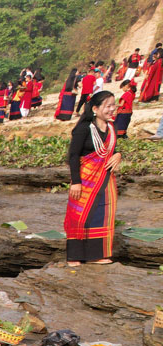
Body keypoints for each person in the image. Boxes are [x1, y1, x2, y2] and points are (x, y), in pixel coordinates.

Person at [64, 90, 120, 265]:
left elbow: (110, 151)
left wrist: (118, 155)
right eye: (108, 106)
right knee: (79, 216)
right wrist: (76, 182)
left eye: (113, 105)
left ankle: (97, 254)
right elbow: (73, 156)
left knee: (101, 214)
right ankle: (75, 256)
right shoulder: (83, 128)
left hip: (105, 180)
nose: (112, 109)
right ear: (95, 108)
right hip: (85, 180)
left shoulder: (111, 128)